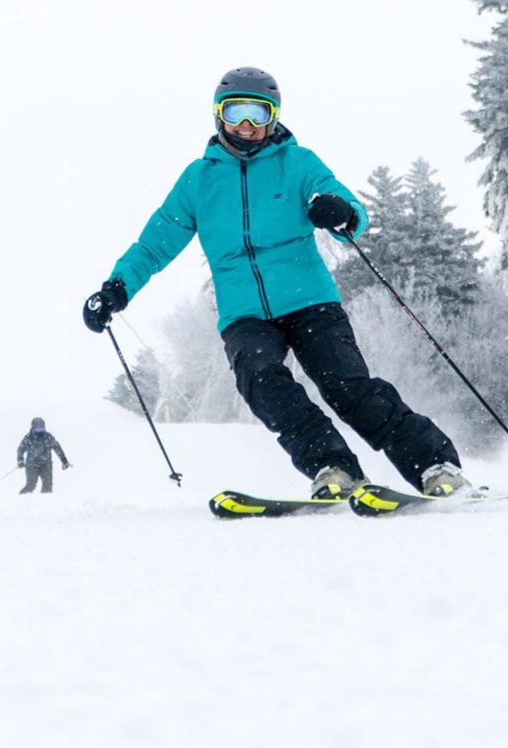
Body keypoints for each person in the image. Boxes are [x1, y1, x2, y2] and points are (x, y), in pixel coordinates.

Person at [81, 67, 470, 499]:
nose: (246, 125)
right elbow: (155, 244)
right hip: (244, 313)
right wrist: (117, 287)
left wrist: (339, 210)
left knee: (347, 387)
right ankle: (333, 467)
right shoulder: (199, 180)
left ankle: (435, 465)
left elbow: (347, 206)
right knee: (262, 381)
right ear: (218, 116)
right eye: (236, 113)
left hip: (310, 301)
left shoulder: (297, 163)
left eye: (258, 113)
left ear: (273, 117)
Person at [16, 417, 70, 494]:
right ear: (33, 428)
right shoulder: (28, 438)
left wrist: (64, 461)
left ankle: (45, 503)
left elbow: (57, 448)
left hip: (46, 465)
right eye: (37, 430)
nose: (39, 432)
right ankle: (21, 500)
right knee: (30, 485)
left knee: (47, 486)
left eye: (41, 430)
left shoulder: (48, 437)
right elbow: (20, 450)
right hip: (32, 465)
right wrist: (20, 460)